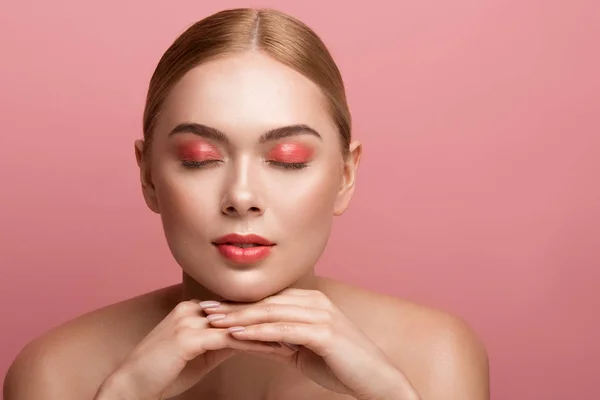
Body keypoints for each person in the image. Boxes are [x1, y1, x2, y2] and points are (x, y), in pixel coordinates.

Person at [3, 7, 489, 400]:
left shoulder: (435, 358)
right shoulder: (55, 373)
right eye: (199, 158)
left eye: (287, 159)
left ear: (345, 175)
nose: (241, 197)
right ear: (148, 175)